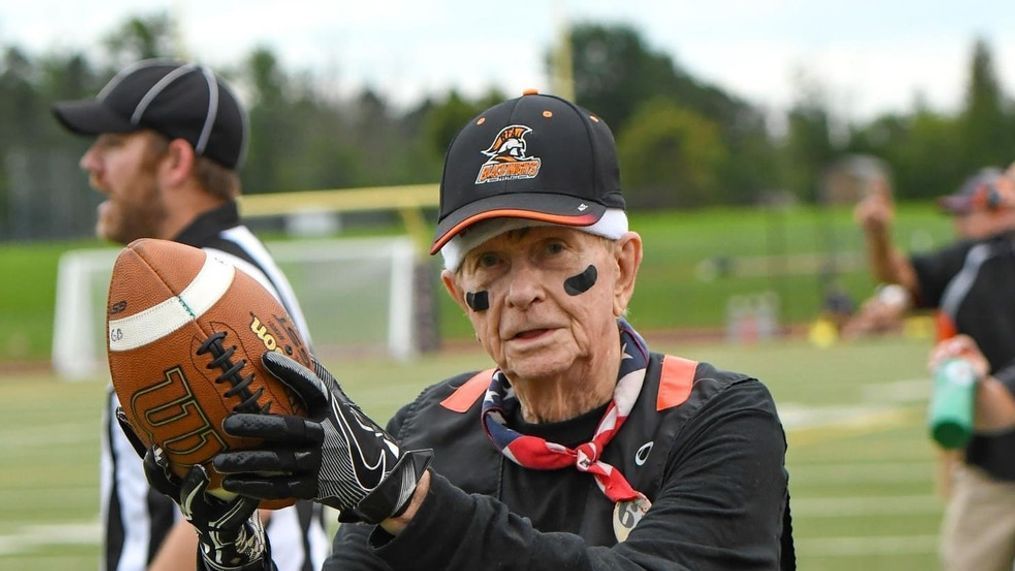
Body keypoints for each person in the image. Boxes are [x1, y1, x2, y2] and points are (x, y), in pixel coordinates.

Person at [126, 90, 794, 570]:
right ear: (459, 294)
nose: (521, 291)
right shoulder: (427, 430)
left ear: (622, 267)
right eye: (490, 262)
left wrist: (408, 498)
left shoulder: (720, 418)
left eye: (552, 250)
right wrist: (233, 551)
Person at [52, 59, 329, 571]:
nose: (91, 165)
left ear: (176, 161)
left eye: (112, 144)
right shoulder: (201, 278)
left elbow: (251, 488)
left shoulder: (213, 289)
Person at [852, 166, 1015, 571]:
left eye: (967, 212)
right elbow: (900, 277)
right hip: (994, 461)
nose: (960, 223)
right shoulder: (974, 258)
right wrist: (878, 234)